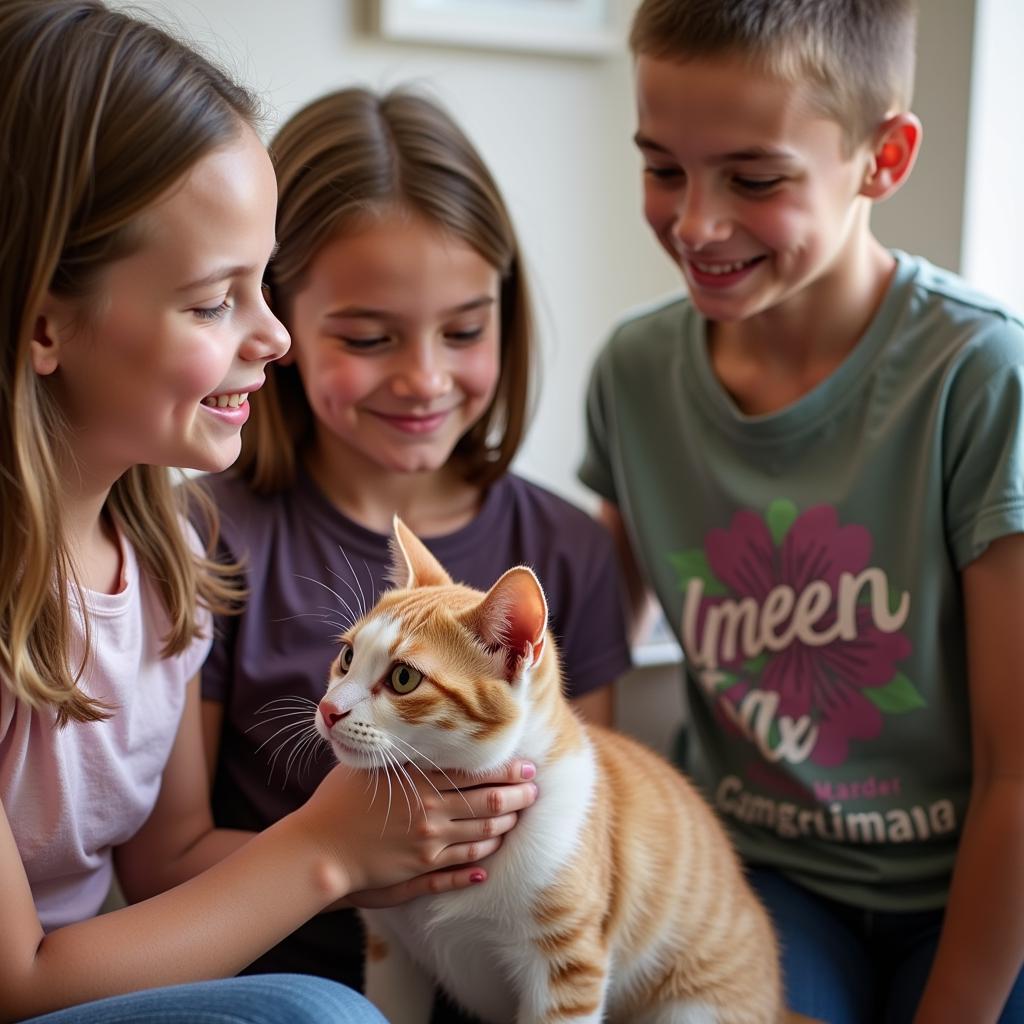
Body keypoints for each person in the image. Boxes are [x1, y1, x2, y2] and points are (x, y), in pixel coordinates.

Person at [0, 5, 540, 1022]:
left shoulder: (168, 561)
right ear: (44, 321)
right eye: (213, 302)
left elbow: (168, 864)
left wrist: (398, 852)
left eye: (264, 286)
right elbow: (17, 977)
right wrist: (323, 849)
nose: (276, 337)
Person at [578, 1, 1024, 1022]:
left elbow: (1017, 773)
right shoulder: (635, 375)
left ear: (884, 157)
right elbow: (585, 660)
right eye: (662, 168)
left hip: (976, 893)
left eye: (755, 178)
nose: (694, 223)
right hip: (760, 887)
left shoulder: (979, 377)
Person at [197, 86, 632, 1019]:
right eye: (366, 336)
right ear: (276, 326)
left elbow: (585, 831)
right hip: (284, 986)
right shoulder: (209, 538)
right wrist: (343, 861)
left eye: (465, 329)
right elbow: (161, 859)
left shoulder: (564, 551)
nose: (426, 378)